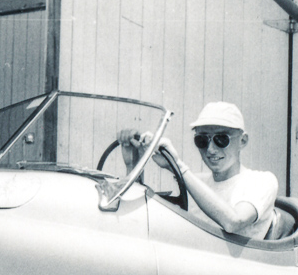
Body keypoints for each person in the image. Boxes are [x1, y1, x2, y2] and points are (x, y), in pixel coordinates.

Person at [118, 102, 278, 240]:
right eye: (202, 140)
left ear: (242, 141)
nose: (211, 150)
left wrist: (178, 166)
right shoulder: (198, 182)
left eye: (221, 139)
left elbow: (233, 222)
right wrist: (133, 164)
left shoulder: (261, 181)